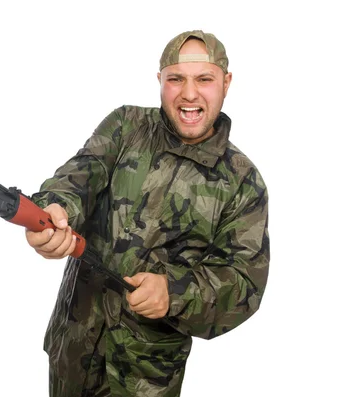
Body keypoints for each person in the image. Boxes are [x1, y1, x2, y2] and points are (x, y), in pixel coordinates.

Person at [26, 30, 270, 397]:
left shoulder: (242, 182)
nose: (189, 94)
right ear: (161, 81)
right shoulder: (126, 126)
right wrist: (56, 210)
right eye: (176, 79)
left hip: (144, 378)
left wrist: (174, 293)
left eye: (204, 79)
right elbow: (81, 174)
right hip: (73, 354)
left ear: (226, 82)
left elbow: (243, 285)